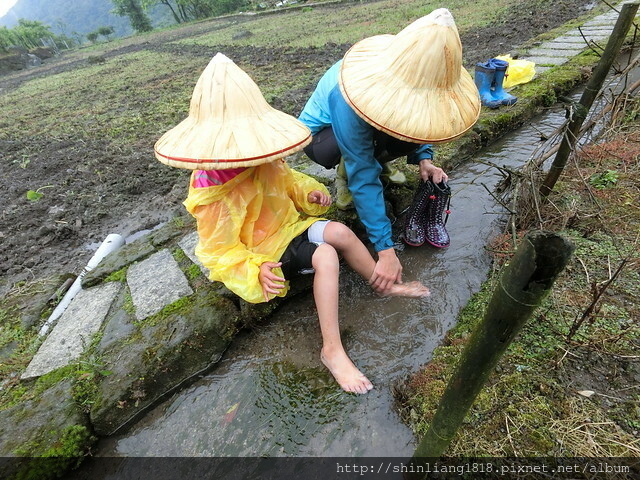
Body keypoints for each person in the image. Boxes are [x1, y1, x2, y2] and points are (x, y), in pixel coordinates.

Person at [154, 53, 430, 395]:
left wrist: (310, 194)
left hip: (286, 230)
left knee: (340, 231)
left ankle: (383, 285)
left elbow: (290, 181)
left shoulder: (262, 157)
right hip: (261, 251)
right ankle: (332, 349)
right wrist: (253, 269)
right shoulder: (213, 193)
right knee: (325, 255)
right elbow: (218, 250)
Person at [298, 8, 481, 294]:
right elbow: (363, 172)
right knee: (359, 165)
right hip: (323, 138)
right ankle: (346, 173)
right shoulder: (348, 93)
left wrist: (425, 159)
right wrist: (385, 250)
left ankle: (375, 158)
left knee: (407, 138)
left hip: (361, 128)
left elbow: (421, 116)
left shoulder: (417, 68)